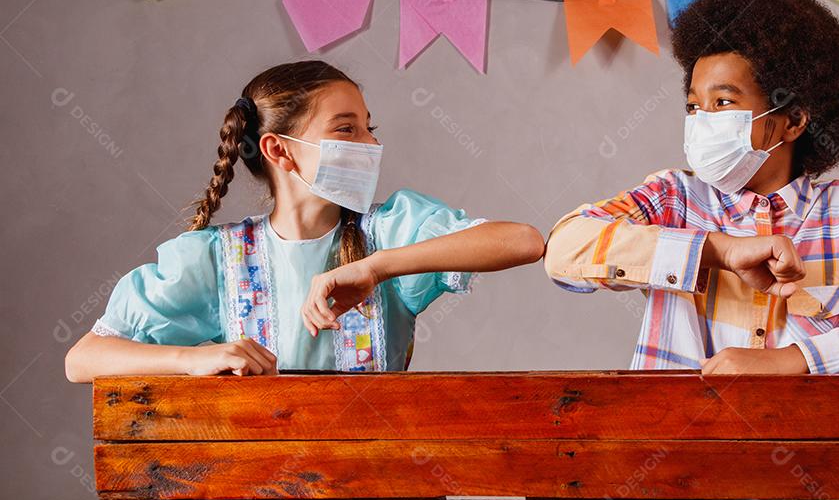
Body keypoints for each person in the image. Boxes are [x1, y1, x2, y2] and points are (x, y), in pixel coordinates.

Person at [544, 0, 839, 375]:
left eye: (723, 102)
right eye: (693, 106)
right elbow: (564, 250)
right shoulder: (673, 199)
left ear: (791, 121)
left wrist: (797, 360)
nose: (702, 120)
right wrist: (716, 250)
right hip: (678, 441)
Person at [65, 61, 544, 381]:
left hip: (387, 493)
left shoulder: (390, 232)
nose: (370, 145)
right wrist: (193, 359)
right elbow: (82, 359)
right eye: (346, 129)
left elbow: (523, 241)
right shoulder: (215, 258)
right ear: (279, 149)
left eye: (368, 127)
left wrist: (376, 268)